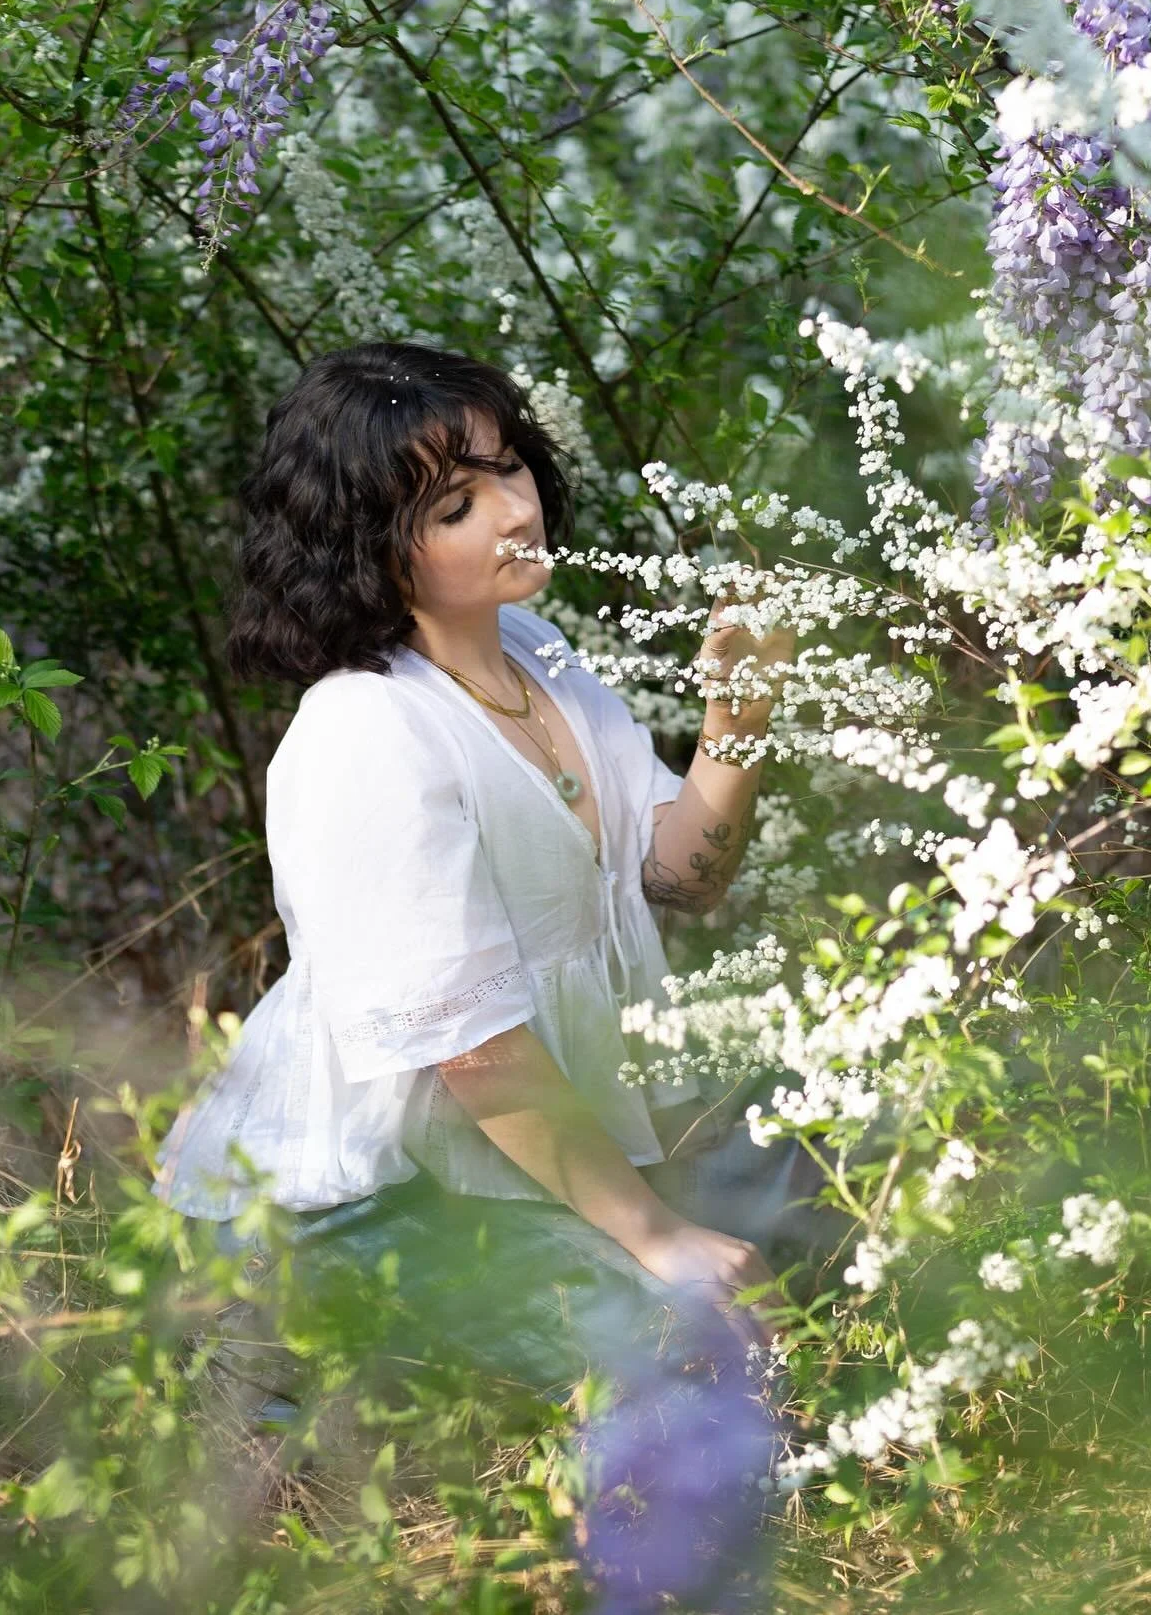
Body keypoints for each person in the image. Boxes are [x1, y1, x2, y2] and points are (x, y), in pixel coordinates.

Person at [152, 340, 811, 1391]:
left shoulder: (537, 651)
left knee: (846, 1171)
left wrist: (740, 714)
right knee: (694, 1361)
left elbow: (679, 875)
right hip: (361, 1195)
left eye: (507, 468)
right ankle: (253, 1357)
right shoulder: (367, 731)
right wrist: (658, 1235)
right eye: (456, 505)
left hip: (543, 1149)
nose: (514, 511)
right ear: (374, 549)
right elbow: (470, 1053)